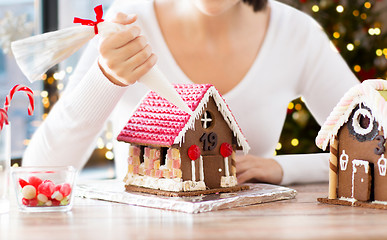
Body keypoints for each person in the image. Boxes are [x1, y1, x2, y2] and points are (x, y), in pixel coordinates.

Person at [22, 0, 359, 185]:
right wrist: (106, 78)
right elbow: (39, 171)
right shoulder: (127, 24)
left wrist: (282, 168)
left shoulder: (296, 33)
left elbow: (378, 148)